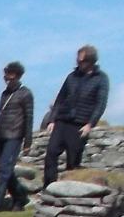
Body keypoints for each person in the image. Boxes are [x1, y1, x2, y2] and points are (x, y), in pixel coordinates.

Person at [41, 45, 110, 187]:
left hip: (80, 124)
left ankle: (67, 192)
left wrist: (90, 124)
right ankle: (48, 188)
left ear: (91, 61)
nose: (78, 63)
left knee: (73, 161)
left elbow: (100, 104)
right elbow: (60, 99)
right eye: (77, 60)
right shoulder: (71, 77)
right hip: (62, 121)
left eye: (81, 61)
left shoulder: (101, 79)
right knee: (51, 154)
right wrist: (52, 120)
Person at [0, 61, 34, 213]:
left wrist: (28, 141)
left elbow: (29, 118)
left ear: (18, 75)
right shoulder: (4, 94)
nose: (7, 77)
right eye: (6, 74)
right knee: (5, 170)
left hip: (15, 136)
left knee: (5, 169)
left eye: (10, 74)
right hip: (1, 136)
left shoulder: (26, 93)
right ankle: (20, 197)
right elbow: (1, 116)